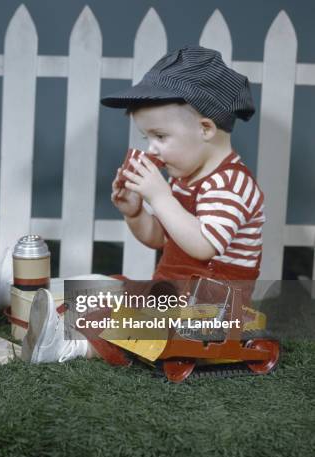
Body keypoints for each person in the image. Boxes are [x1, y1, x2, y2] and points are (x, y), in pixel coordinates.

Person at [22, 46, 265, 364]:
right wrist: (135, 211)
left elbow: (204, 246)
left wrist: (160, 197)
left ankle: (70, 347)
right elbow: (159, 238)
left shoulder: (231, 185)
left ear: (205, 129)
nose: (152, 149)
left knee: (132, 321)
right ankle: (35, 305)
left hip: (213, 306)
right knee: (101, 285)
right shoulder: (182, 179)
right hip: (171, 291)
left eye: (160, 137)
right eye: (147, 137)